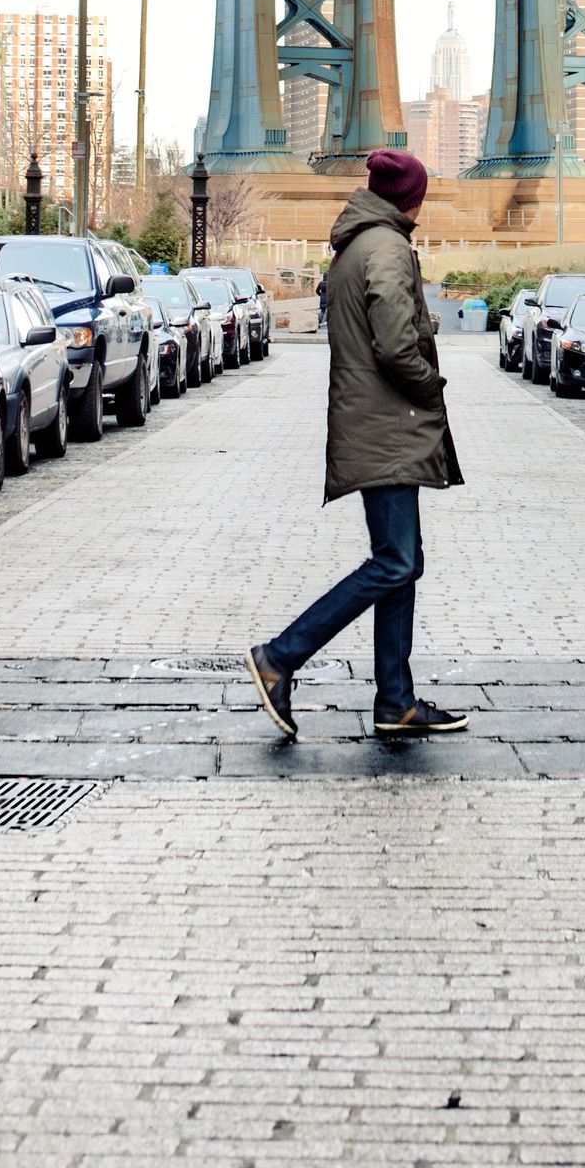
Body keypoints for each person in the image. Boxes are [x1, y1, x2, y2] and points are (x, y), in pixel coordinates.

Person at [247, 147, 465, 747]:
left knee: (400, 560)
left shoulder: (354, 245)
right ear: (409, 197)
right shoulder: (389, 247)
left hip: (371, 423)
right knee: (396, 561)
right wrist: (432, 382)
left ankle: (395, 700)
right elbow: (396, 348)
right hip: (389, 425)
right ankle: (280, 656)